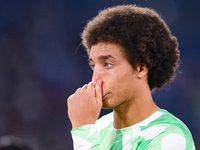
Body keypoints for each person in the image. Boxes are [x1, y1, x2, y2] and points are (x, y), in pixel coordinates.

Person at [67, 5, 195, 150]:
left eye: (107, 64)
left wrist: (83, 128)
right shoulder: (97, 128)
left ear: (141, 68)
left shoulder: (170, 137)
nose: (95, 79)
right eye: (93, 66)